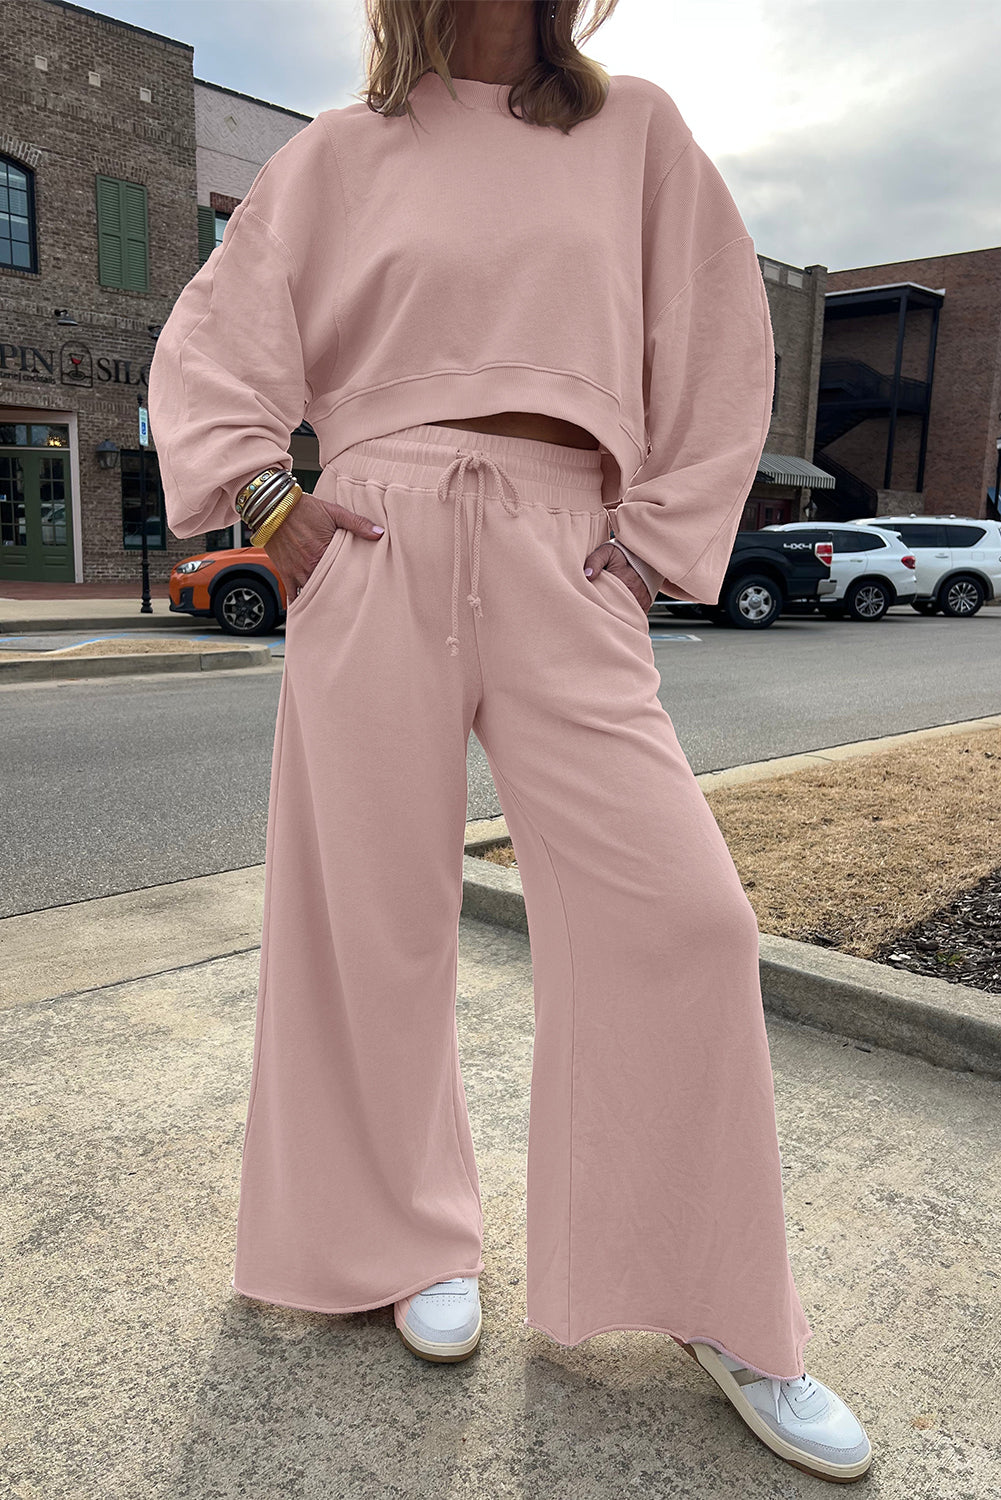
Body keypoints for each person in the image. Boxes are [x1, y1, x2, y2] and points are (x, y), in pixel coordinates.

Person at [147, 0, 872, 1483]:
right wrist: (271, 506)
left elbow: (721, 340)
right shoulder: (339, 153)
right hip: (373, 538)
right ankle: (397, 1238)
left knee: (684, 919)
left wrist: (657, 539)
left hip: (567, 542)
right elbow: (214, 341)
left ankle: (712, 1292)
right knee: (366, 916)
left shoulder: (635, 131)